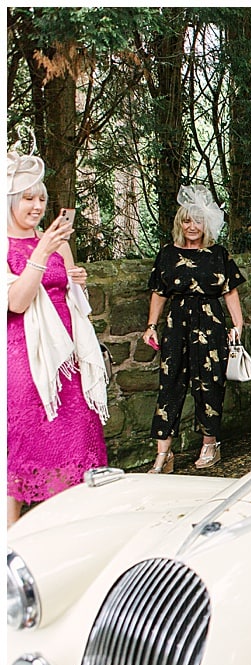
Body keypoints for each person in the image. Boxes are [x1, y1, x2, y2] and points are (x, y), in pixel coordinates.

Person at [7, 148, 107, 526]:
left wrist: (73, 279)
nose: (37, 206)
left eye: (42, 199)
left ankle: (64, 529)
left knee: (74, 440)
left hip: (67, 358)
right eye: (28, 199)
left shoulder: (57, 242)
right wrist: (42, 252)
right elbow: (16, 301)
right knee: (23, 450)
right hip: (24, 360)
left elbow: (63, 290)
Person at [143, 185, 245, 473]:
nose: (191, 226)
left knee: (209, 383)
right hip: (176, 324)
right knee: (170, 383)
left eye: (197, 220)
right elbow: (159, 292)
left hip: (210, 322)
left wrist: (238, 324)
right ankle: (163, 454)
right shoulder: (167, 253)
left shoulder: (217, 254)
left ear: (207, 224)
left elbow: (230, 291)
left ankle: (210, 445)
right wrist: (151, 325)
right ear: (179, 223)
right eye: (186, 220)